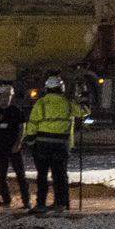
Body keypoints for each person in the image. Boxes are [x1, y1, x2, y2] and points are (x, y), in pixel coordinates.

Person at [24, 74, 86, 214]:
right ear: (61, 88)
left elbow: (32, 125)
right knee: (59, 175)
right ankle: (60, 204)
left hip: (43, 145)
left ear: (47, 89)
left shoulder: (41, 103)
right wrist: (84, 96)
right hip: (61, 145)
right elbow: (84, 111)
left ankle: (41, 205)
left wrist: (31, 143)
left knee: (42, 176)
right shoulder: (67, 103)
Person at [0, 86, 30, 209]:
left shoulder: (16, 111)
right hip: (0, 147)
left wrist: (19, 143)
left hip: (14, 147)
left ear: (11, 97)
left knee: (20, 175)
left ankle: (26, 202)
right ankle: (6, 200)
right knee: (2, 176)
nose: (5, 99)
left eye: (7, 96)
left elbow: (23, 128)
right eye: (3, 96)